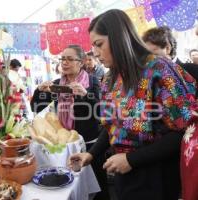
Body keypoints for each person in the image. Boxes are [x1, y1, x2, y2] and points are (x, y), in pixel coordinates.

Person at [68, 9, 196, 200]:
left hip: (157, 177)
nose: (94, 53)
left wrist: (132, 159)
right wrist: (91, 154)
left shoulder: (158, 68)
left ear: (119, 38)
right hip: (123, 175)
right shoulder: (110, 78)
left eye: (99, 44)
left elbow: (185, 130)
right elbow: (113, 126)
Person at [31, 44, 109, 200]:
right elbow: (36, 106)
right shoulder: (57, 84)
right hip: (65, 145)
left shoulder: (93, 82)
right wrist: (39, 90)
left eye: (69, 59)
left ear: (81, 62)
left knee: (98, 186)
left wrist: (85, 95)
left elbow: (101, 112)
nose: (64, 63)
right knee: (70, 184)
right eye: (62, 59)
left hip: (90, 145)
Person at [142, 26, 198, 96]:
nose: (150, 60)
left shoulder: (193, 70)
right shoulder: (148, 78)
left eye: (154, 54)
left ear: (168, 48)